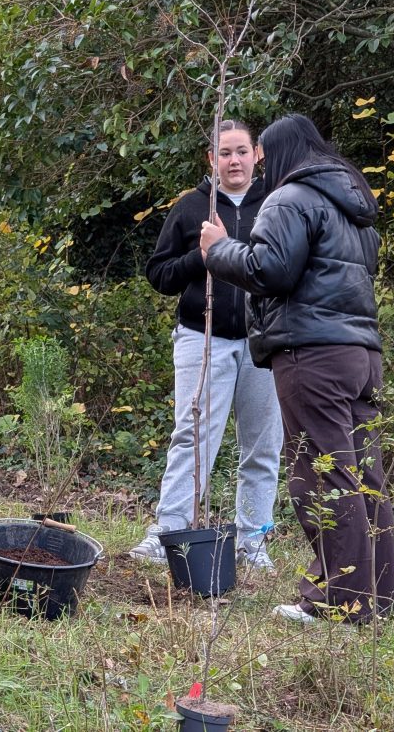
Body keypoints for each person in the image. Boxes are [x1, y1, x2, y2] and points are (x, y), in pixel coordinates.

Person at [200, 113, 394, 624]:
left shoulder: (291, 199)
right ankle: (378, 598)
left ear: (280, 152)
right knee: (364, 474)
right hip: (361, 355)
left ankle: (340, 603)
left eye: (262, 154)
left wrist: (218, 251)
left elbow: (271, 270)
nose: (259, 166)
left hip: (313, 355)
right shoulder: (352, 209)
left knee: (322, 474)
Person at [129, 120, 283, 569]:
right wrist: (201, 257)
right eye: (224, 153)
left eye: (241, 151)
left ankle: (254, 544)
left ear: (257, 154)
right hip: (202, 337)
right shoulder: (191, 207)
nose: (233, 161)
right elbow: (158, 275)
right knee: (192, 438)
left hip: (263, 342)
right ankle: (168, 534)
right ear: (210, 159)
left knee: (263, 446)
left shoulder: (277, 204)